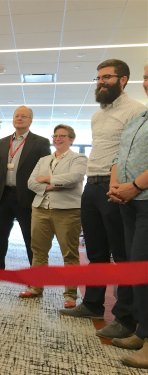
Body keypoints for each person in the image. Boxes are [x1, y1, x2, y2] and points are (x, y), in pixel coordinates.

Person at [59, 59, 145, 340]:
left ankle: (125, 317)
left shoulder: (136, 110)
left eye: (106, 77)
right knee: (96, 253)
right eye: (97, 78)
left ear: (123, 80)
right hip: (92, 185)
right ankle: (93, 304)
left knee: (122, 256)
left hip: (115, 187)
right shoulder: (98, 115)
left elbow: (130, 154)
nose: (100, 83)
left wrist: (118, 184)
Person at [107, 63, 148, 369]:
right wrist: (115, 184)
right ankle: (142, 332)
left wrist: (133, 186)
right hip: (129, 202)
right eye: (146, 77)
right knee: (133, 268)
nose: (147, 82)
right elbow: (120, 155)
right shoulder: (139, 119)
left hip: (144, 199)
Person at [18, 125, 87, 308]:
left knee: (69, 254)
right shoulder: (44, 159)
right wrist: (48, 186)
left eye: (62, 136)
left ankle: (70, 295)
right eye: (55, 136)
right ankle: (36, 287)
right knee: (38, 251)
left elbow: (74, 177)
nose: (58, 138)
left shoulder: (78, 158)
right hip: (40, 208)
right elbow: (31, 182)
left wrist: (47, 179)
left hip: (67, 211)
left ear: (71, 139)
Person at [0, 106, 51, 270]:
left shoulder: (40, 143)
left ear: (30, 120)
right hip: (3, 196)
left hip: (27, 196)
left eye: (24, 116)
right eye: (17, 116)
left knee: (31, 237)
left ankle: (37, 271)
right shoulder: (3, 142)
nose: (19, 118)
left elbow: (46, 170)